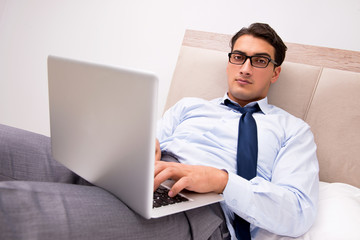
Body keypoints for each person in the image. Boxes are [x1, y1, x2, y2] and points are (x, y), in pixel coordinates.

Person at [154, 23, 319, 239]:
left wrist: (222, 181)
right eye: (239, 57)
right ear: (229, 63)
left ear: (275, 72)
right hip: (151, 183)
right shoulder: (188, 106)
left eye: (259, 61)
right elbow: (149, 142)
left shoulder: (293, 130)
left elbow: (298, 213)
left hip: (204, 210)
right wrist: (146, 147)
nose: (245, 69)